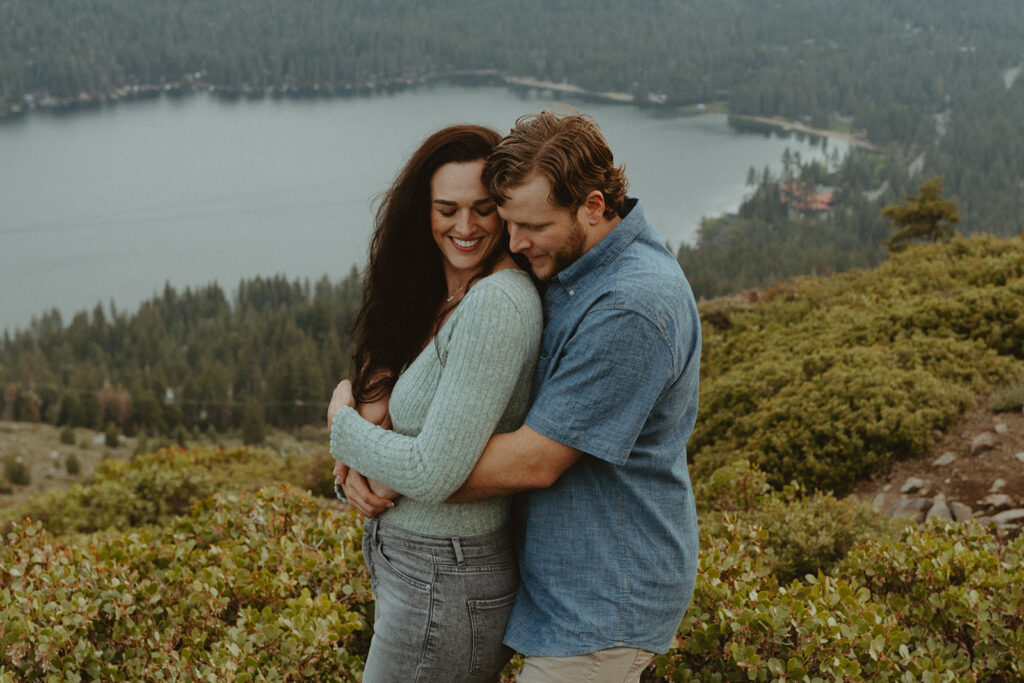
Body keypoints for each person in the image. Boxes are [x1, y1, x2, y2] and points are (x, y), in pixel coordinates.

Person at [343, 111, 702, 683]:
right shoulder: (566, 260)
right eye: (507, 221)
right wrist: (368, 410)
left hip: (603, 600)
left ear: (592, 205)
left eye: (530, 225)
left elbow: (535, 461)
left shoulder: (629, 307)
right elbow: (420, 325)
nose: (513, 242)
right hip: (552, 585)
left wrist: (387, 463)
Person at [326, 124, 543, 682]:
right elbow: (391, 415)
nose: (465, 227)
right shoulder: (438, 295)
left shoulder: (497, 302)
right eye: (447, 209)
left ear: (507, 210)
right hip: (421, 568)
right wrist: (354, 466)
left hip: (447, 573)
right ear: (421, 212)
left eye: (484, 208)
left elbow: (431, 471)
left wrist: (339, 419)